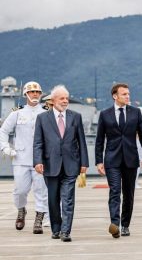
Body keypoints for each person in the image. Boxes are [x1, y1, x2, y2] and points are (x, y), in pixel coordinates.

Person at [33, 85, 89, 242]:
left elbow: (81, 142)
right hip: (50, 165)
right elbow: (38, 142)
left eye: (67, 98)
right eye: (62, 98)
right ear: (53, 100)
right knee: (52, 199)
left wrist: (84, 162)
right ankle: (56, 229)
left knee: (68, 198)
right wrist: (37, 161)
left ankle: (66, 231)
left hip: (71, 164)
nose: (65, 101)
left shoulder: (75, 117)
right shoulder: (42, 118)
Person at [95, 83, 142, 238]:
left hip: (131, 159)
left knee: (128, 194)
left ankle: (125, 224)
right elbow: (99, 140)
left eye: (128, 93)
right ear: (115, 96)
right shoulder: (105, 114)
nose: (128, 96)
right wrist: (99, 161)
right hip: (112, 159)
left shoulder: (136, 113)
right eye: (124, 94)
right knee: (114, 191)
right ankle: (115, 224)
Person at [0, 81, 48, 234]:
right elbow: (3, 131)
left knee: (41, 191)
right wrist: (6, 147)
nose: (35, 94)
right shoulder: (17, 112)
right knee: (20, 190)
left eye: (37, 92)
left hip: (40, 160)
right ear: (25, 94)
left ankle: (39, 220)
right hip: (20, 158)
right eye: (32, 92)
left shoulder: (47, 111)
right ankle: (21, 210)